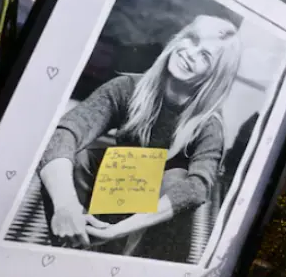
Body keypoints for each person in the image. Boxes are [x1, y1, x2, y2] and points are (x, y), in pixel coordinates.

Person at [37, 15, 242, 261]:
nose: (190, 53)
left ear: (214, 76)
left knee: (176, 178)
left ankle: (129, 269)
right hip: (111, 196)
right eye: (192, 40)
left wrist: (117, 232)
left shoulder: (209, 124)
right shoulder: (127, 88)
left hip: (154, 226)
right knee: (76, 157)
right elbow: (66, 132)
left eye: (205, 56)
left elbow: (197, 188)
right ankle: (72, 242)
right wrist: (65, 205)